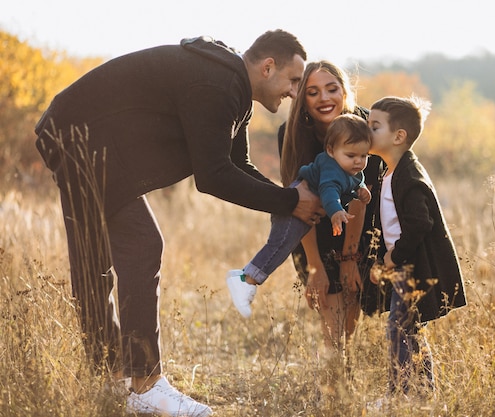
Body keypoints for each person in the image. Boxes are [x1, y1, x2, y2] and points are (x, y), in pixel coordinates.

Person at [34, 29, 321, 417]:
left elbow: (238, 165)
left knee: (107, 255)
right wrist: (290, 201)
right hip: (76, 136)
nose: (294, 92)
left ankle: (114, 380)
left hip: (83, 137)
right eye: (292, 80)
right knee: (129, 248)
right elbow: (214, 176)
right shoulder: (217, 85)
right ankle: (144, 383)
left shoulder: (232, 88)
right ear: (268, 67)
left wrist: (292, 203)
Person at [277, 61, 389, 352]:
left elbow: (363, 198)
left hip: (362, 226)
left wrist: (350, 258)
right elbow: (298, 204)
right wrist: (315, 268)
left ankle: (343, 376)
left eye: (331, 89)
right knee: (332, 315)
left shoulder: (366, 127)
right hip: (311, 230)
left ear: (344, 91)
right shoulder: (292, 133)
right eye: (313, 92)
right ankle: (335, 385)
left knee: (351, 310)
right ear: (302, 99)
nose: (324, 98)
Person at [367, 96, 467, 396]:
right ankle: (422, 392)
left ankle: (400, 395)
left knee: (399, 330)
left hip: (410, 266)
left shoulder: (408, 176)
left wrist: (394, 256)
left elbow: (420, 224)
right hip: (402, 266)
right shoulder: (390, 171)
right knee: (408, 330)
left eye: (374, 126)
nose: (366, 131)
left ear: (399, 136)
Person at [227, 114, 372, 318]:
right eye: (351, 156)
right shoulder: (331, 168)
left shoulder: (350, 167)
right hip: (295, 206)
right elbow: (329, 191)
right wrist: (336, 211)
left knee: (281, 245)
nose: (358, 162)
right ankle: (246, 280)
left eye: (364, 156)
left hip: (305, 211)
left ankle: (243, 276)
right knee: (279, 245)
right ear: (331, 151)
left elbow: (356, 182)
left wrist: (362, 189)